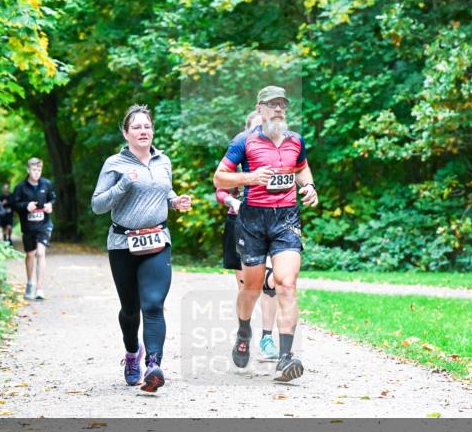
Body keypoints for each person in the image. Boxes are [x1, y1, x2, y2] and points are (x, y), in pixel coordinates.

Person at [212, 86, 319, 382]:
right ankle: (244, 330)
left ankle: (285, 357)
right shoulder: (243, 142)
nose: (279, 110)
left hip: (286, 218)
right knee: (252, 287)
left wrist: (309, 187)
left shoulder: (296, 140)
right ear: (260, 109)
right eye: (272, 105)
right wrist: (249, 178)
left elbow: (302, 169)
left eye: (282, 105)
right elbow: (219, 177)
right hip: (252, 219)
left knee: (286, 283)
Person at [92, 104, 192, 392]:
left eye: (147, 126)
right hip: (123, 242)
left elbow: (164, 190)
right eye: (136, 127)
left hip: (158, 239)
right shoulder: (114, 164)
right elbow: (98, 205)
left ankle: (153, 365)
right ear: (126, 133)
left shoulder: (163, 161)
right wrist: (123, 184)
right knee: (130, 309)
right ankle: (132, 353)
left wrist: (175, 201)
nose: (143, 131)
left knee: (153, 304)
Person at [216, 110, 280, 360]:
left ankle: (267, 338)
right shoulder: (238, 154)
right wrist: (234, 201)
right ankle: (244, 332)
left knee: (270, 282)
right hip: (240, 222)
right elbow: (219, 190)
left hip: (271, 221)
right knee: (248, 286)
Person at [12, 158, 56, 300]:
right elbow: (14, 204)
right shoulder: (20, 187)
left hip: (44, 224)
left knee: (40, 253)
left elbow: (52, 198)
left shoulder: (47, 184)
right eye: (33, 170)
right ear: (28, 170)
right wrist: (26, 206)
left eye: (39, 170)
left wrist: (50, 205)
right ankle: (30, 282)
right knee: (30, 254)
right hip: (28, 226)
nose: (36, 173)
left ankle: (39, 287)